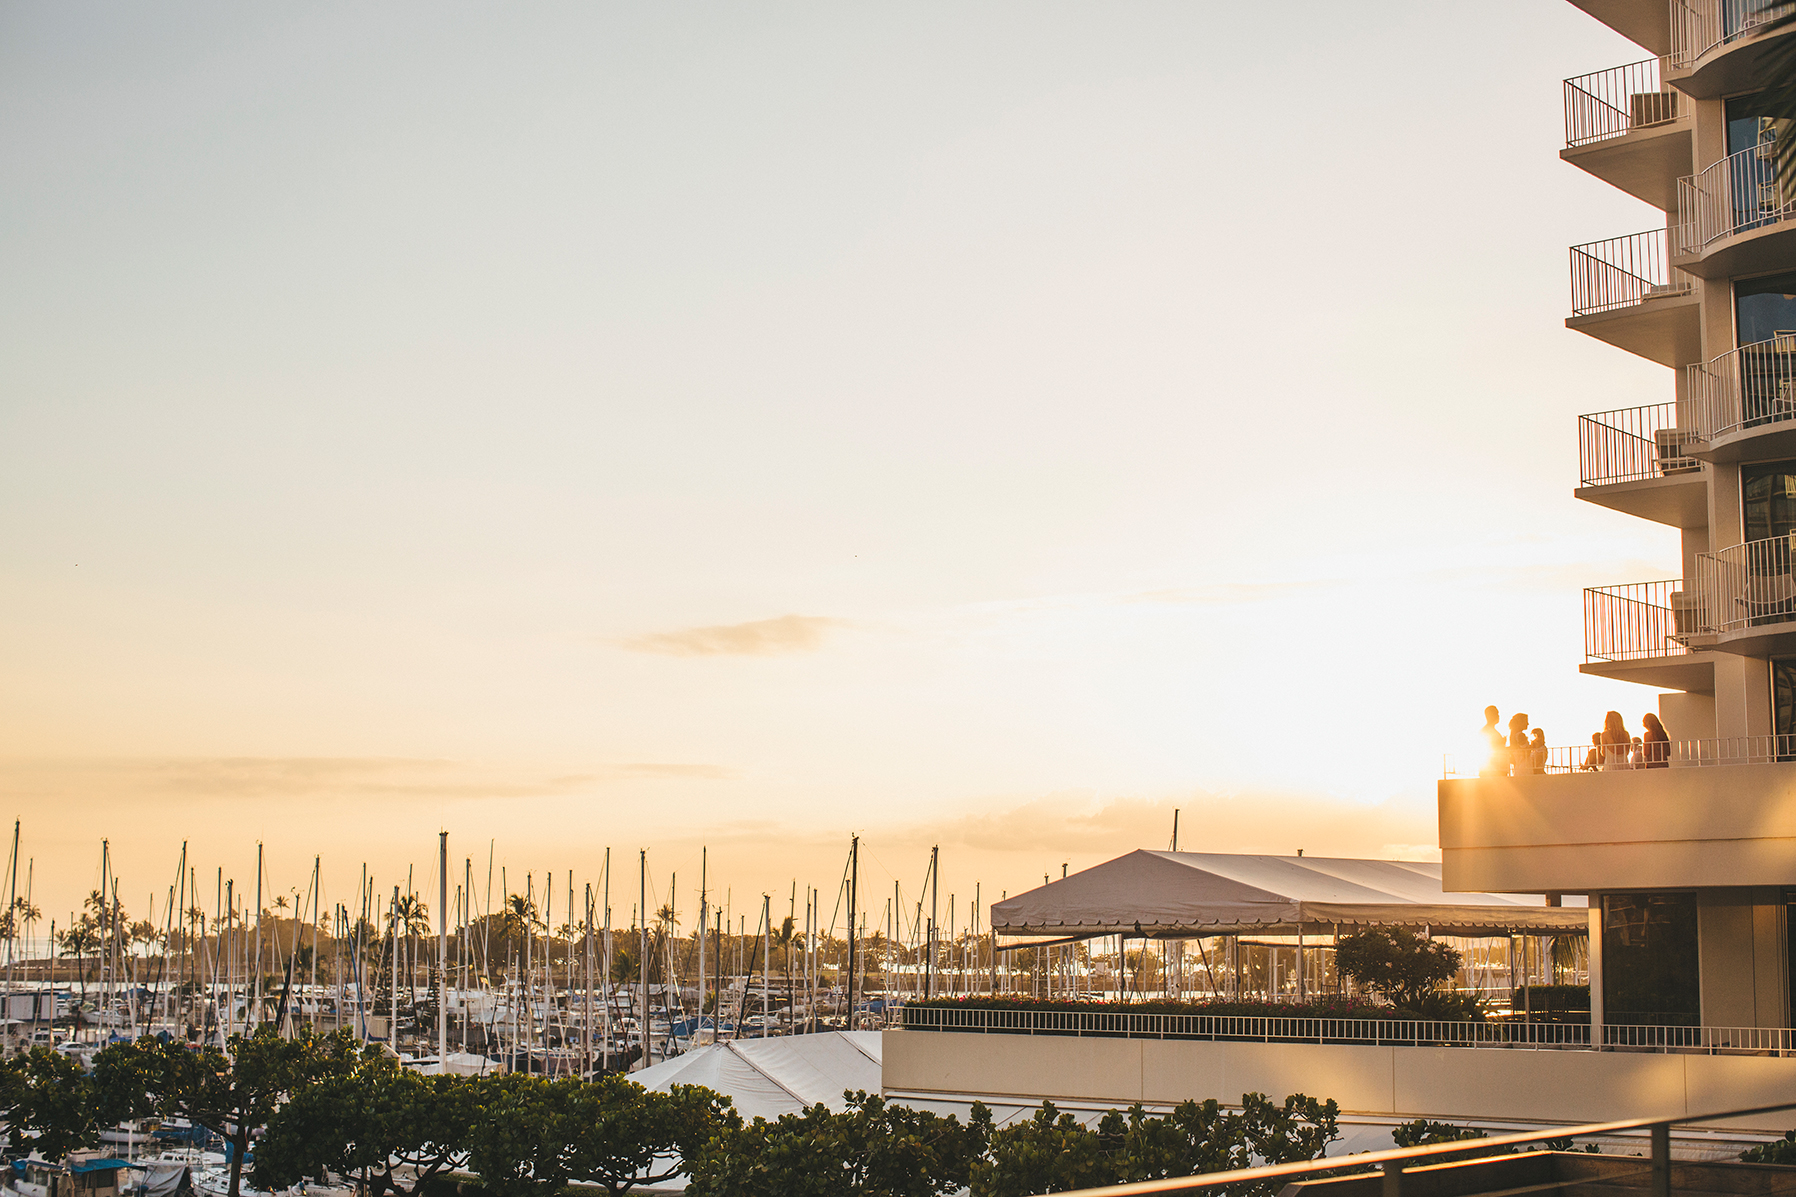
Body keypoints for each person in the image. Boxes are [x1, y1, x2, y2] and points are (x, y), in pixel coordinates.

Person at [1480, 706, 1506, 776]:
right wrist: (1502, 743)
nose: (1498, 716)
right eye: (1496, 713)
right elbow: (1492, 746)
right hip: (1493, 767)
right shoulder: (1486, 730)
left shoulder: (1489, 729)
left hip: (1496, 766)